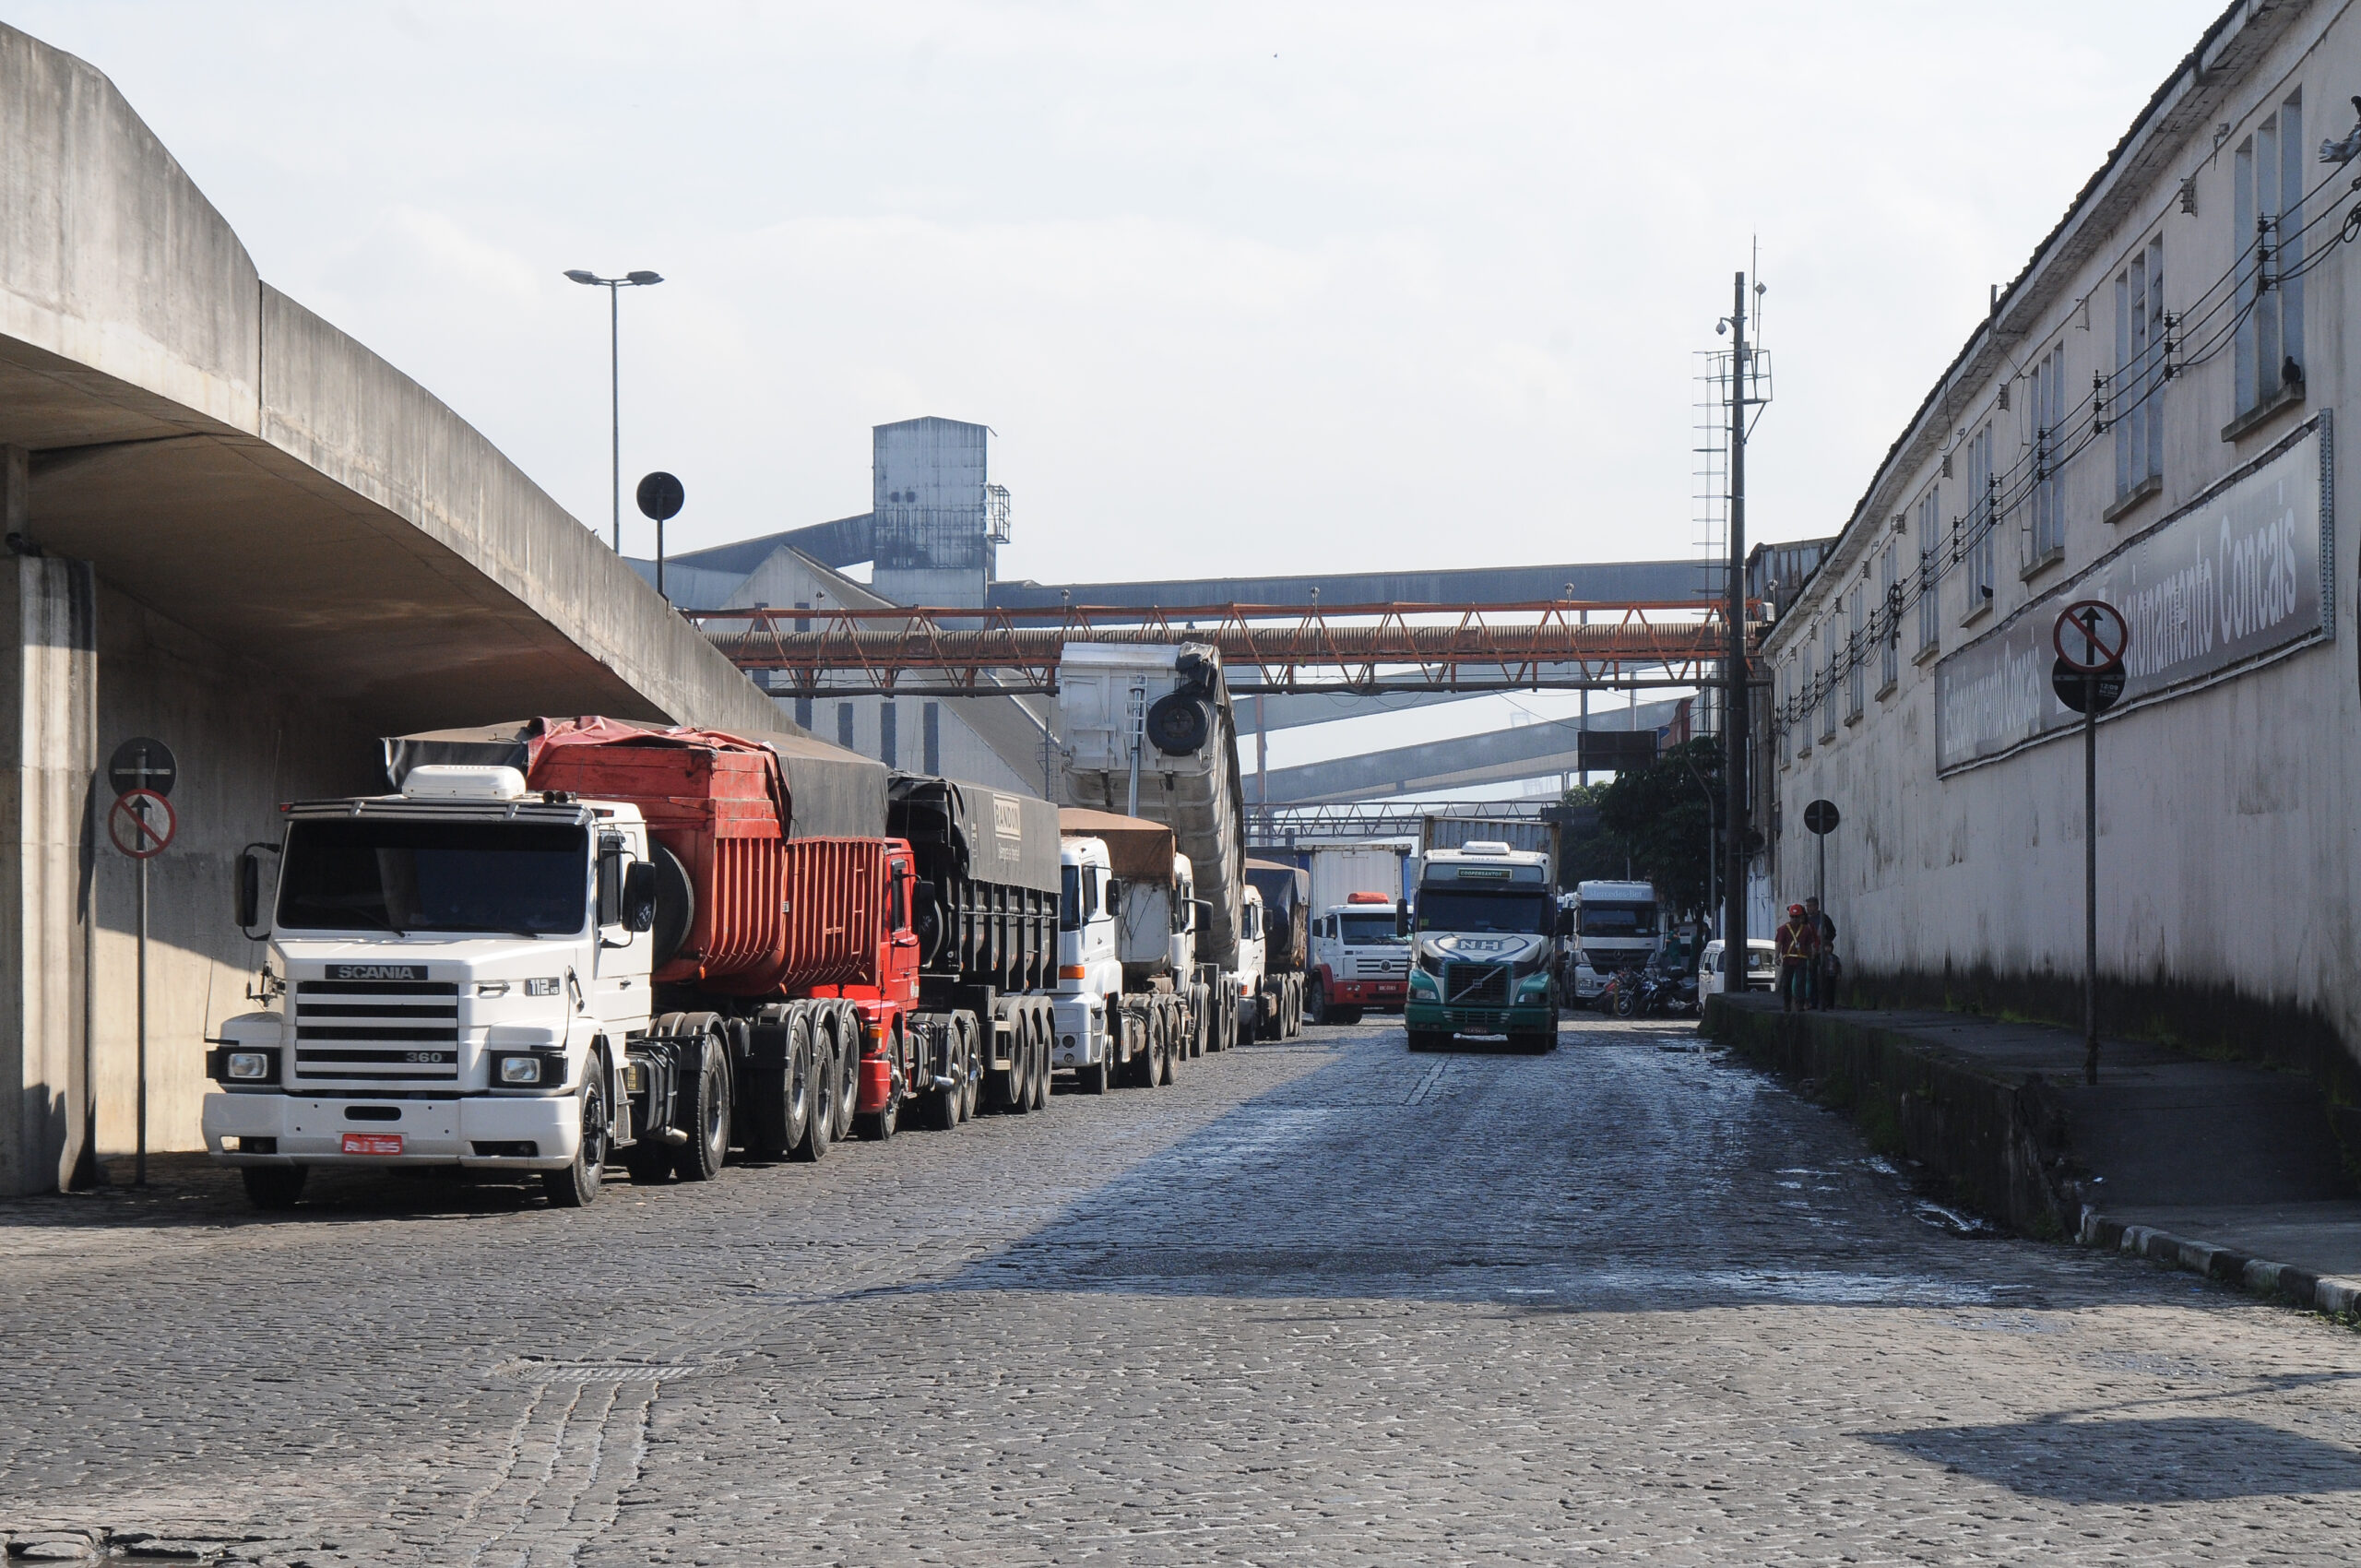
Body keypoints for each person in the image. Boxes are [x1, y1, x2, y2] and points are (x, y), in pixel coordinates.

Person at [1774, 902, 1820, 1014]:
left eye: (1796, 917)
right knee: (1787, 983)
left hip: (1801, 958)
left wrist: (1810, 958)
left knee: (1800, 982)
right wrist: (1777, 956)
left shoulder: (1806, 929)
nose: (1794, 919)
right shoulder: (1783, 929)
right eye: (1792, 917)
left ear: (1801, 917)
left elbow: (1808, 946)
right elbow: (1779, 943)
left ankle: (1800, 1004)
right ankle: (1787, 1004)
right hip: (1788, 959)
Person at [1806, 896, 1839, 1010]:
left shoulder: (1824, 919)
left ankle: (1827, 1002)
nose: (1808, 908)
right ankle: (1813, 1001)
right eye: (1807, 906)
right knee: (1812, 977)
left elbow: (1832, 932)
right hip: (1811, 951)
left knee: (1827, 978)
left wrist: (1825, 944)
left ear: (1816, 906)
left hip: (1822, 950)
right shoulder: (1806, 920)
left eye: (1810, 906)